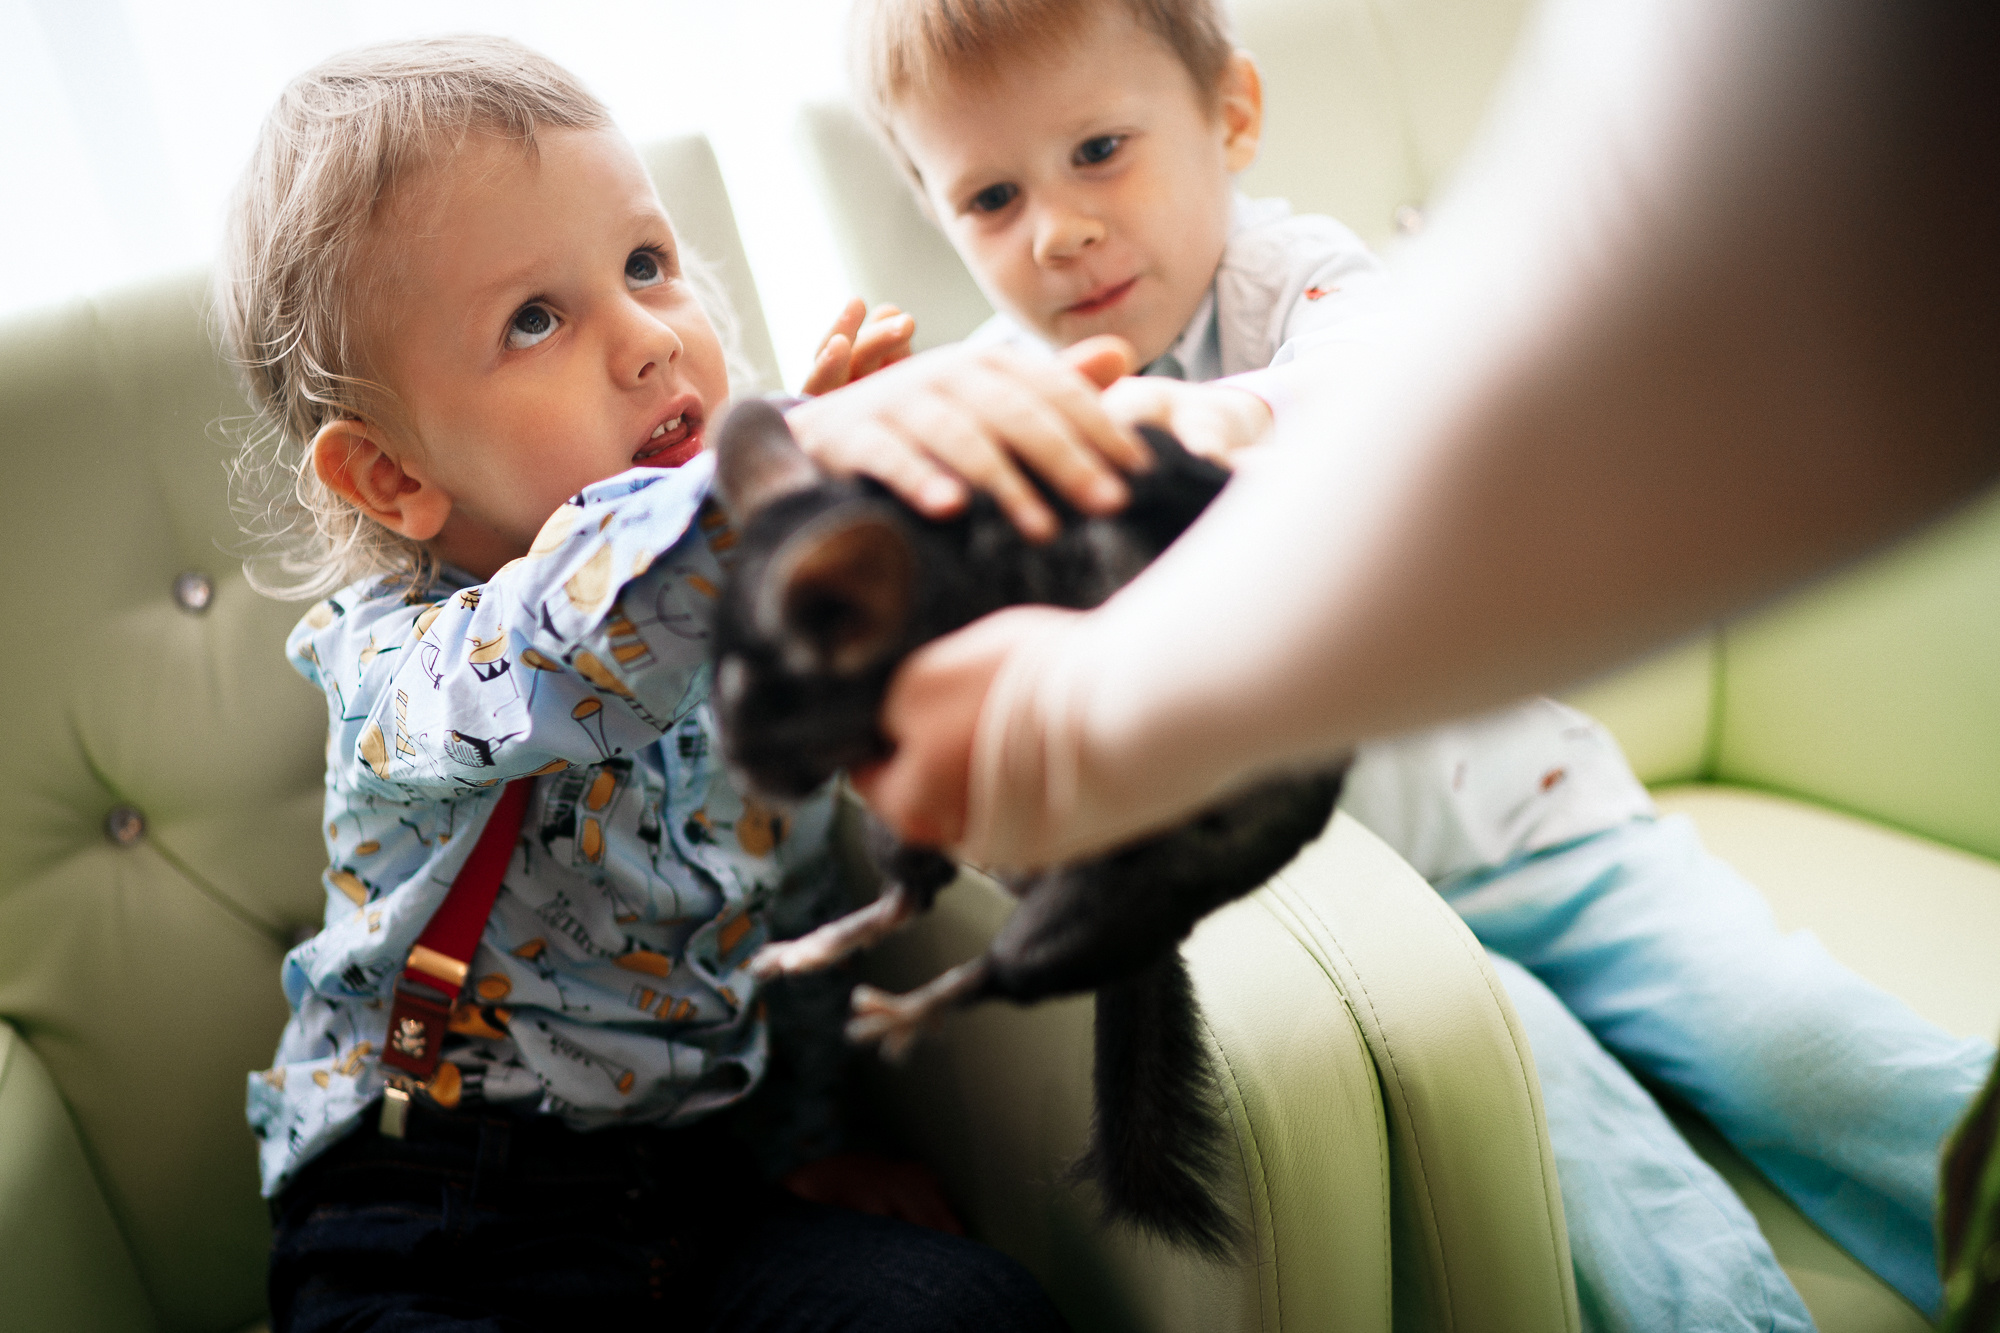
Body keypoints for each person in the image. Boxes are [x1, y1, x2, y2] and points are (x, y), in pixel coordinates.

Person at [846, 0, 1994, 1324]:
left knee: (1805, 1042)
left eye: (1100, 148)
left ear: (1231, 117)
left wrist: (1226, 415)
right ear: (939, 218)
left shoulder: (1299, 279)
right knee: (1614, 1202)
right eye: (991, 196)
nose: (1058, 227)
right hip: (1394, 922)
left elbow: (1387, 379)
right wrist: (855, 438)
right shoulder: (1013, 405)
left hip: (1551, 832)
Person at [218, 35, 1148, 1332]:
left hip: (708, 1193)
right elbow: (575, 643)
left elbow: (808, 904)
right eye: (533, 319)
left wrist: (809, 1141)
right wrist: (765, 487)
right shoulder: (403, 667)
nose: (651, 338)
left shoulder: (762, 621)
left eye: (645, 264)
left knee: (971, 1312)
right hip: (426, 1211)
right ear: (392, 476)